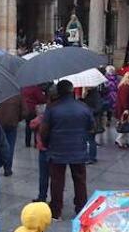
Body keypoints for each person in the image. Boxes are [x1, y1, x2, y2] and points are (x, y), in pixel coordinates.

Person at [39, 80, 93, 220]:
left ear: (59, 92)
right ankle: (81, 208)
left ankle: (56, 211)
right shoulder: (83, 107)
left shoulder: (52, 108)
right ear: (71, 90)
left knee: (57, 181)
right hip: (78, 149)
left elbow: (44, 131)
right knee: (80, 180)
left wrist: (47, 143)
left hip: (57, 149)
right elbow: (90, 126)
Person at [0, 95, 27, 176]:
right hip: (12, 123)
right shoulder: (18, 95)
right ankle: (7, 169)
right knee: (10, 146)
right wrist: (17, 119)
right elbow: (25, 111)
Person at [115, 71, 129, 148]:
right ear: (128, 78)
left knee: (126, 125)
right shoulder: (125, 87)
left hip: (127, 108)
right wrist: (125, 108)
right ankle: (119, 140)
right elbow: (123, 99)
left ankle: (124, 141)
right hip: (125, 108)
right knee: (124, 124)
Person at [82, 86, 102, 164]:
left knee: (91, 139)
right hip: (88, 120)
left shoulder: (95, 94)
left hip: (92, 121)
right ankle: (90, 156)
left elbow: (98, 108)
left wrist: (88, 110)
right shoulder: (89, 93)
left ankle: (91, 157)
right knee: (89, 139)